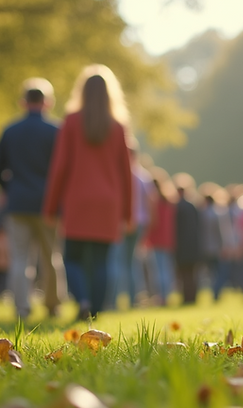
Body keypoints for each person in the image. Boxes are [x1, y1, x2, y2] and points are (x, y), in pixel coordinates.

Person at [42, 65, 133, 320]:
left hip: (78, 199)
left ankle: (82, 300)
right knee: (102, 261)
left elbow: (59, 168)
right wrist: (128, 213)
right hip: (108, 202)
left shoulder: (71, 122)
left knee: (72, 258)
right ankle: (95, 310)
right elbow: (127, 173)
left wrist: (50, 207)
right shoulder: (117, 126)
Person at [0, 78, 66, 318]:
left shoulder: (10, 130)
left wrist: (10, 187)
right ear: (48, 102)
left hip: (18, 202)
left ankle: (21, 306)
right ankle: (52, 304)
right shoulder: (56, 131)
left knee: (20, 258)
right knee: (51, 256)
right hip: (49, 204)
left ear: (23, 102)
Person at [106, 139, 154, 309]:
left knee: (116, 261)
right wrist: (148, 225)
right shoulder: (143, 176)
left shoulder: (118, 173)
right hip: (139, 222)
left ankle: (112, 300)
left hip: (121, 222)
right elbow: (150, 203)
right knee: (132, 261)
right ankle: (134, 298)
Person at [144, 168, 176, 307]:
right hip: (167, 239)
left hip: (156, 239)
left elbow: (153, 221)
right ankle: (166, 295)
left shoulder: (154, 200)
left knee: (157, 270)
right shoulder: (169, 201)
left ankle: (160, 297)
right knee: (166, 269)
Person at [173, 173, 201, 306]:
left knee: (183, 274)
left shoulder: (177, 207)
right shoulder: (192, 206)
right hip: (193, 245)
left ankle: (186, 298)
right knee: (192, 274)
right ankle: (192, 297)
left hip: (181, 245)